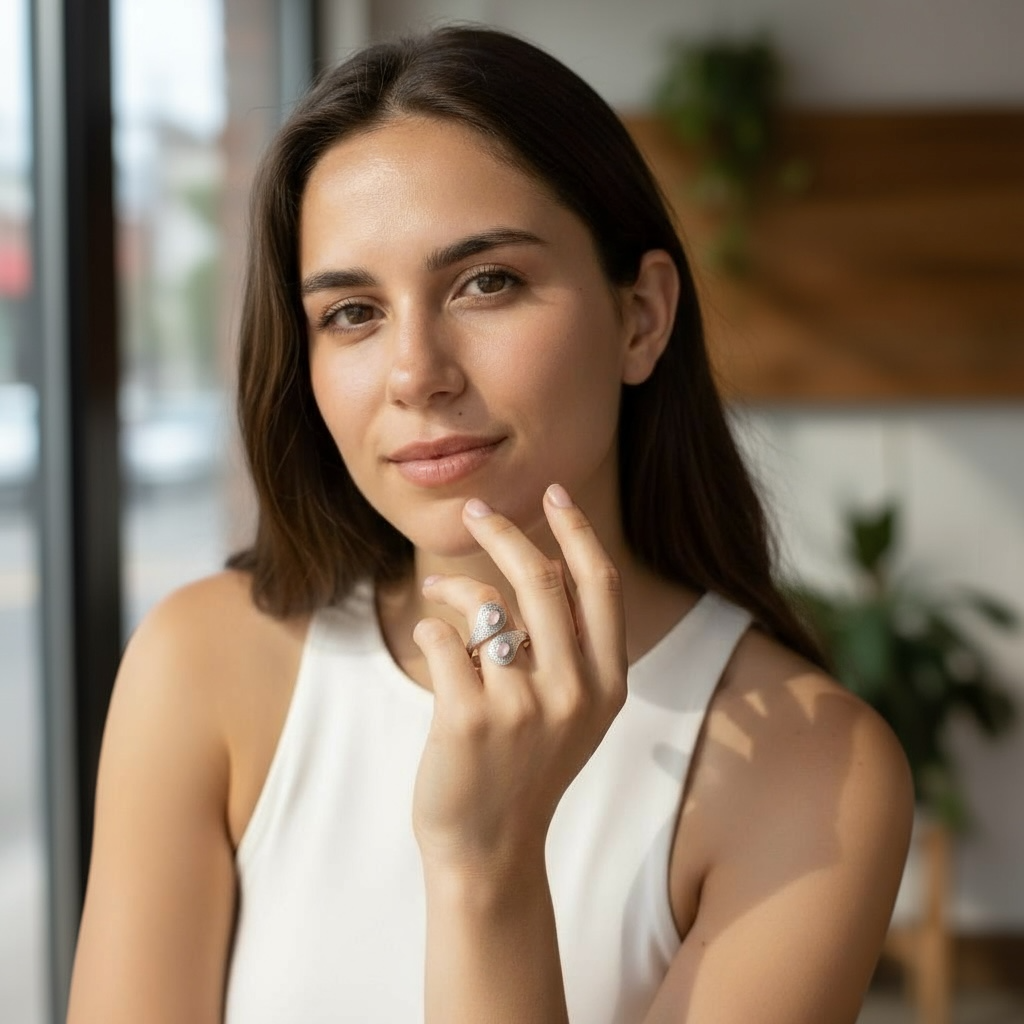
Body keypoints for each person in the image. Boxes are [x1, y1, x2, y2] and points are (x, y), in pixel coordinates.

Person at [66, 25, 913, 1024]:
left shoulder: (813, 770)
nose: (415, 373)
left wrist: (487, 868)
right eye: (352, 312)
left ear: (641, 316)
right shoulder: (202, 663)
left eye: (486, 283)